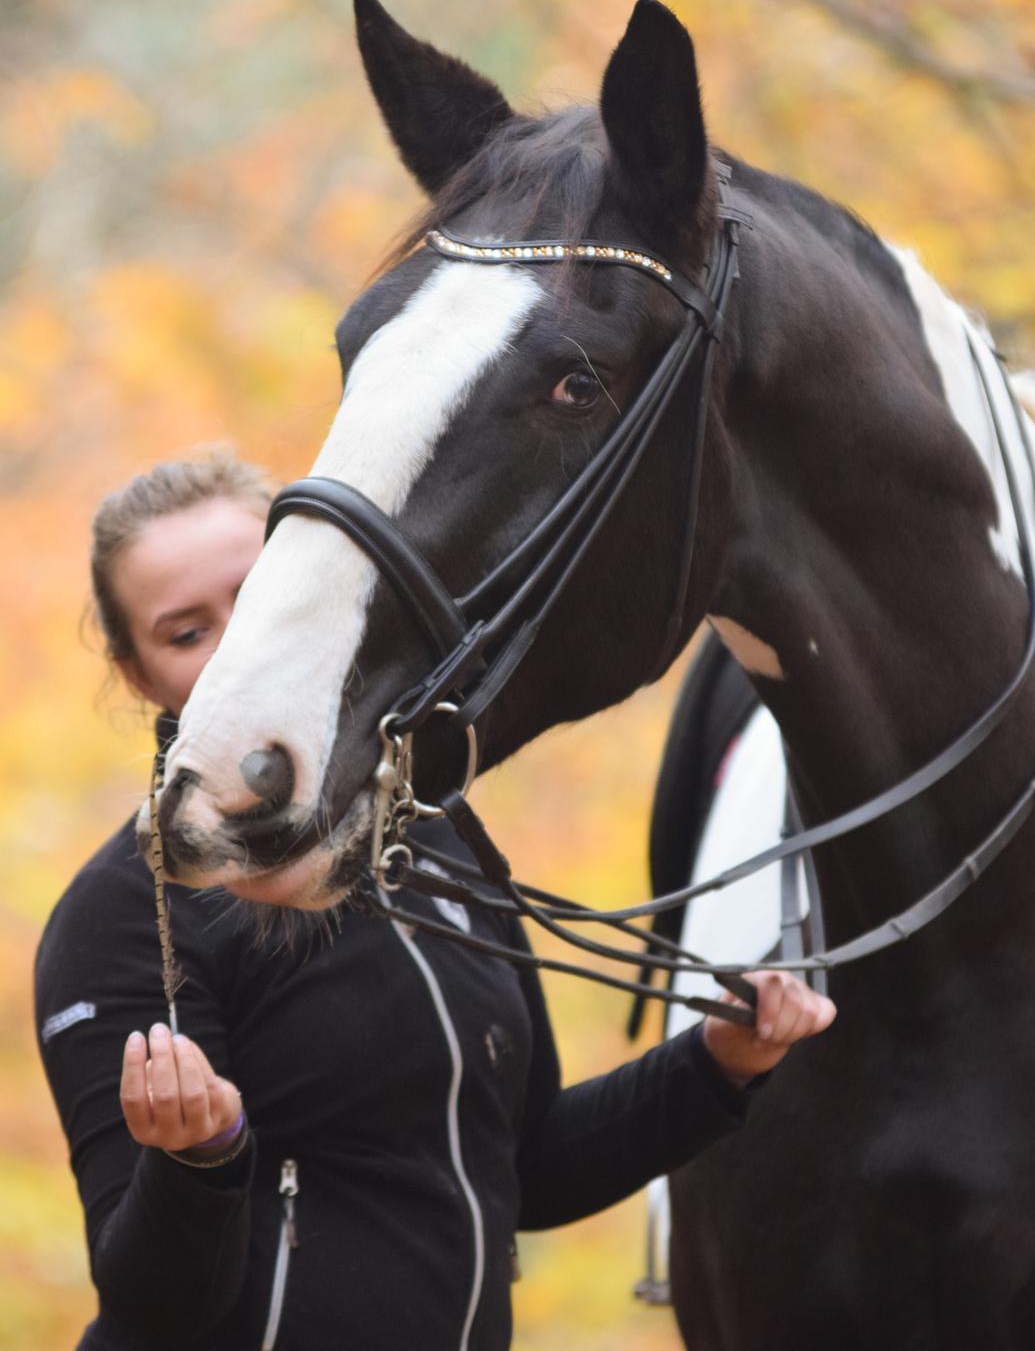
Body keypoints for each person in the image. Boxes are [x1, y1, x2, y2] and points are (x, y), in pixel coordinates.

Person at [35, 451, 837, 1351]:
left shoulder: (436, 844)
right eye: (186, 634)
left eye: (258, 594)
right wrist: (200, 1160)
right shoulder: (118, 920)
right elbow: (150, 1303)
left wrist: (716, 1062)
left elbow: (529, 1169)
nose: (238, 650)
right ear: (137, 675)